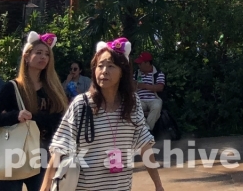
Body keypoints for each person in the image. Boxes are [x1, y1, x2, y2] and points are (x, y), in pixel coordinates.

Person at [42, 38, 164, 191]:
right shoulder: (82, 104)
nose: (104, 71)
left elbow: (145, 145)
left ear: (122, 72)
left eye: (111, 66)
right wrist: (45, 187)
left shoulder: (132, 104)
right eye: (100, 66)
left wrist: (158, 185)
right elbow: (59, 149)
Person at [0, 31, 69, 191]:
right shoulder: (13, 87)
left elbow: (61, 122)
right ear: (26, 56)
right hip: (13, 155)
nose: (43, 57)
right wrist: (15, 116)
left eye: (46, 54)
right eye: (38, 53)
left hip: (44, 155)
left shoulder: (54, 89)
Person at [133, 52, 165, 130]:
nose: (139, 65)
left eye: (140, 63)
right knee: (134, 107)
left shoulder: (158, 73)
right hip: (140, 99)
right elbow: (132, 87)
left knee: (157, 107)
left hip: (154, 99)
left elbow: (160, 87)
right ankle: (147, 131)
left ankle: (146, 130)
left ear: (147, 63)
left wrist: (144, 86)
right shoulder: (136, 74)